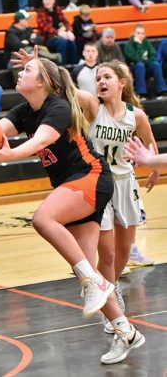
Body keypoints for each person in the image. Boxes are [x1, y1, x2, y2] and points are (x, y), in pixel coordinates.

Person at [0, 48, 145, 365]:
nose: (19, 73)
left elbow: (39, 142)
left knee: (43, 219)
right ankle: (125, 330)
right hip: (73, 185)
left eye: (28, 70)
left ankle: (94, 283)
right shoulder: (24, 110)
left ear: (43, 81)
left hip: (91, 177)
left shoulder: (57, 107)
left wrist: (10, 155)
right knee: (83, 265)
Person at [73, 60, 159, 336]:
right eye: (98, 78)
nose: (101, 81)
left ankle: (111, 287)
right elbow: (66, 88)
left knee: (123, 251)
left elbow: (150, 143)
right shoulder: (92, 107)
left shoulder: (137, 116)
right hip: (99, 184)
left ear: (121, 82)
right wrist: (39, 66)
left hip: (126, 184)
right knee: (107, 253)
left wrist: (155, 167)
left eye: (107, 76)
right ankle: (110, 306)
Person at [4, 9, 61, 82]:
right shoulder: (11, 32)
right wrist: (32, 41)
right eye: (26, 19)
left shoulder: (28, 28)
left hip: (29, 57)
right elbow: (17, 46)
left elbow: (39, 39)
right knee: (31, 52)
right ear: (20, 20)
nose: (28, 21)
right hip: (14, 61)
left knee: (34, 52)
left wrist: (28, 41)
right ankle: (53, 58)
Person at [124, 24, 167, 97]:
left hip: (145, 67)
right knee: (140, 65)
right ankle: (141, 93)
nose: (140, 35)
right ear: (134, 33)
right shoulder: (129, 44)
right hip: (134, 69)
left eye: (142, 33)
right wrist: (139, 45)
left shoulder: (146, 42)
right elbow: (135, 59)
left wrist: (146, 60)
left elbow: (153, 55)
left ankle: (162, 90)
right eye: (138, 33)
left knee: (155, 64)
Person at [36, 0, 78, 65]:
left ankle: (74, 64)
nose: (47, 2)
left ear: (53, 1)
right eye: (45, 0)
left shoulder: (57, 9)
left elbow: (65, 22)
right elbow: (46, 28)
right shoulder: (40, 12)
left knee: (71, 39)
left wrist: (69, 31)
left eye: (49, 0)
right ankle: (62, 65)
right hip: (48, 38)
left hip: (61, 34)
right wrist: (58, 32)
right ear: (43, 1)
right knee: (62, 41)